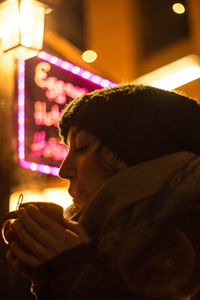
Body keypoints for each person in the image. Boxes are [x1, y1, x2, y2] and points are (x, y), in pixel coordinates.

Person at [6, 84, 200, 300]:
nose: (63, 171)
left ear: (134, 155)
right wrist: (51, 280)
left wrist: (74, 272)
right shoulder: (92, 235)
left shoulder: (191, 234)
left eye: (81, 147)